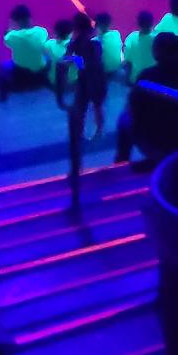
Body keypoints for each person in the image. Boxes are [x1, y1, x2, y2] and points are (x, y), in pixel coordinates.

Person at [117, 31, 178, 164]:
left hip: (157, 139)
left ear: (156, 52)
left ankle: (121, 163)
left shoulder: (147, 76)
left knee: (124, 119)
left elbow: (134, 108)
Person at [63, 13, 111, 209]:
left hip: (91, 78)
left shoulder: (90, 41)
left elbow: (87, 60)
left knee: (89, 106)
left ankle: (93, 131)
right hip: (90, 79)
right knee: (86, 106)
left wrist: (75, 61)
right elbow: (71, 56)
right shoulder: (88, 40)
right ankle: (89, 131)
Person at [1, 5, 55, 96]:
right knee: (48, 57)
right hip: (41, 72)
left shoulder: (12, 36)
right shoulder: (41, 31)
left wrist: (11, 25)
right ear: (30, 18)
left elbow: (6, 39)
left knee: (4, 65)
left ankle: (6, 92)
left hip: (21, 74)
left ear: (15, 20)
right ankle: (47, 81)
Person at [124, 9, 159, 82]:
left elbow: (127, 61)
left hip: (136, 79)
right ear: (153, 23)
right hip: (154, 80)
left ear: (138, 23)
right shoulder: (158, 39)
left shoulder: (131, 37)